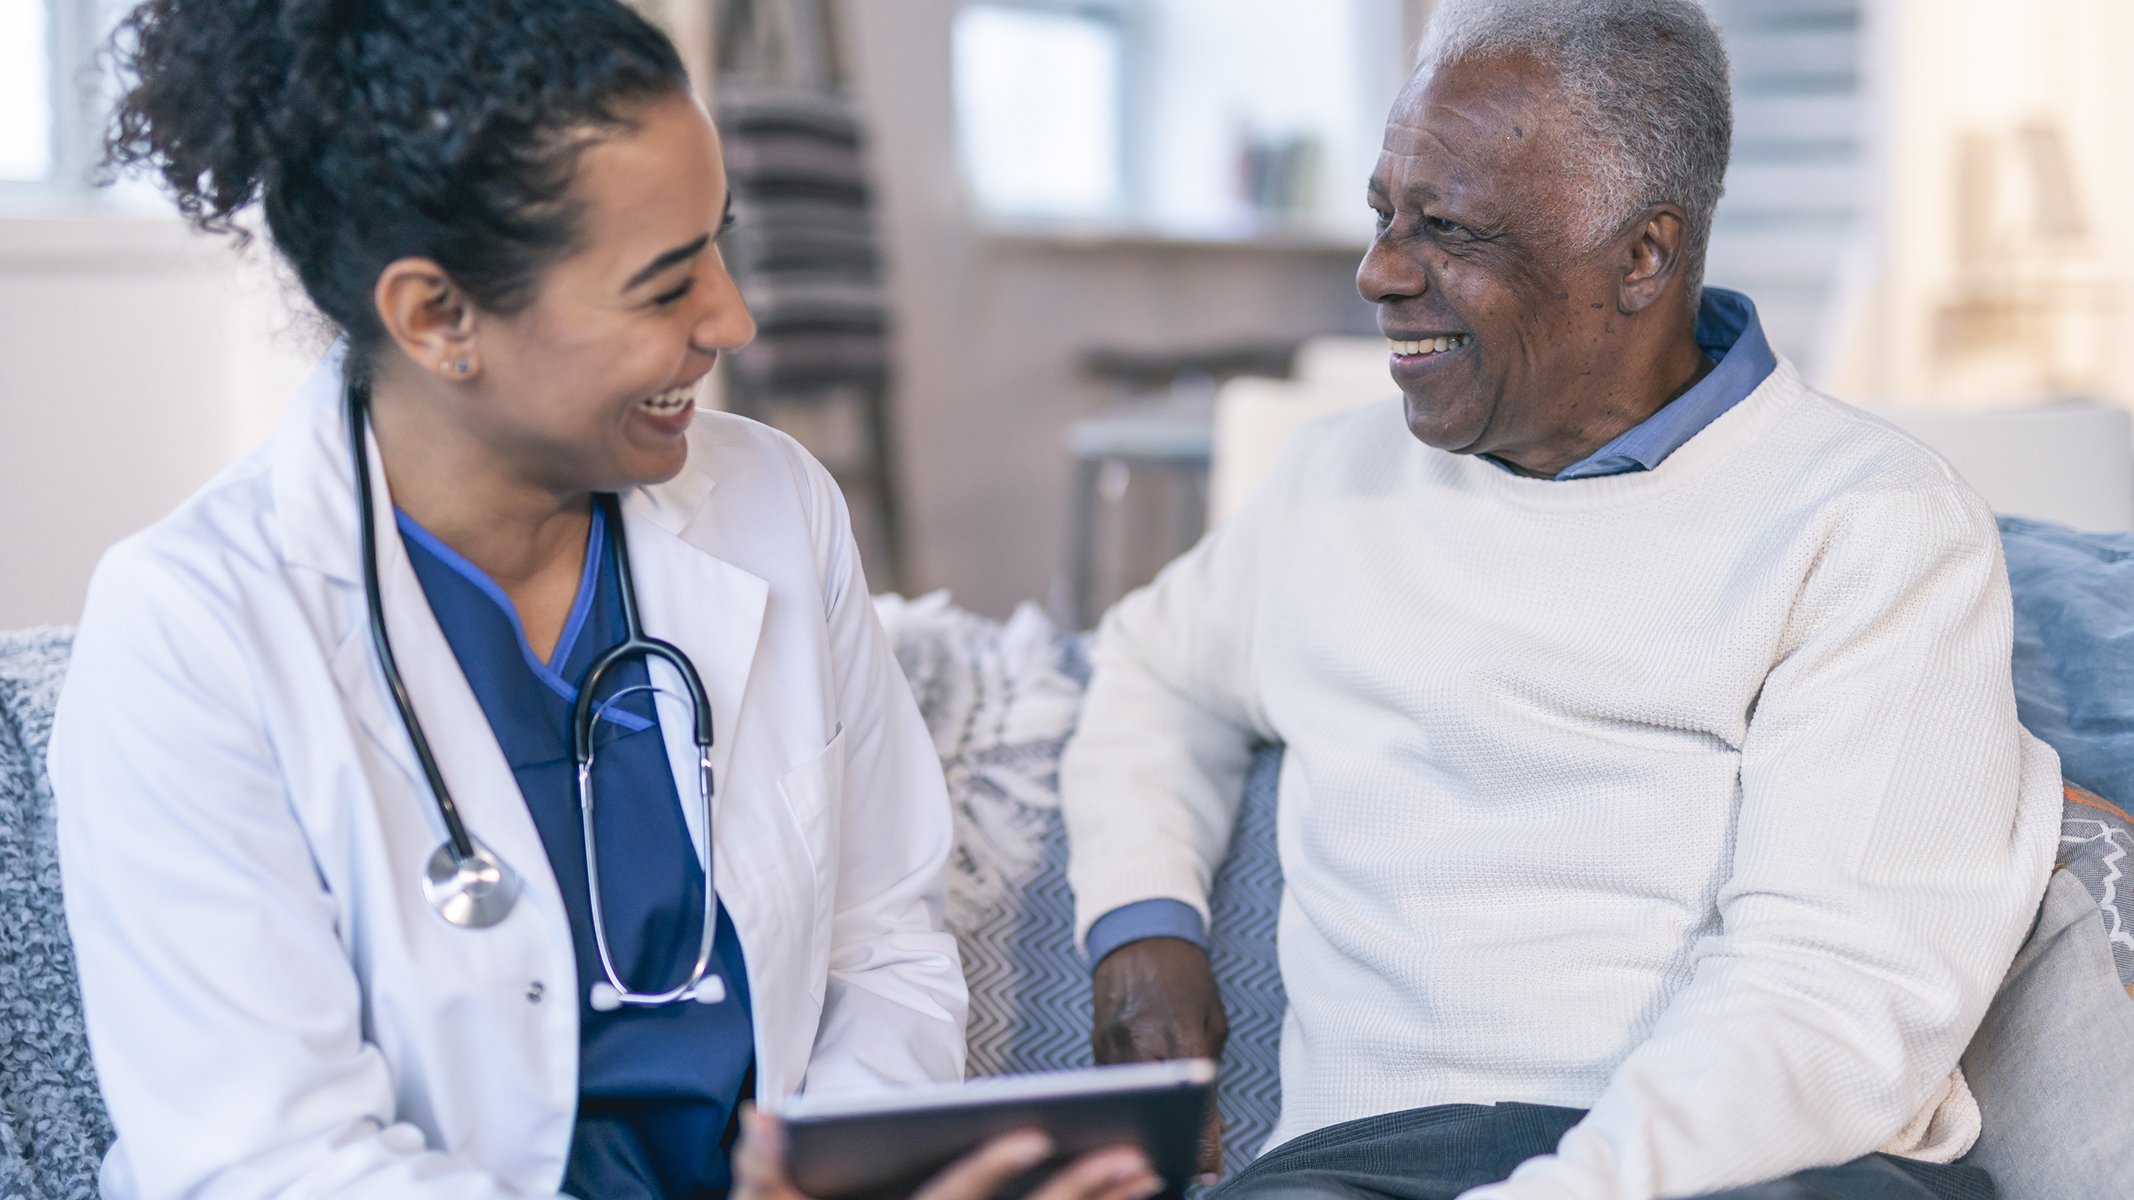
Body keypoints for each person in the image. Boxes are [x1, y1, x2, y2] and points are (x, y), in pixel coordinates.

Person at [49, 4, 1165, 1200]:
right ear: (438, 318)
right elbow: (269, 1164)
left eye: (718, 246)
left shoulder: (774, 504)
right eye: (663, 286)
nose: (731, 320)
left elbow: (885, 942)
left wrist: (841, 1173)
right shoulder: (192, 627)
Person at [1059, 2, 2059, 1198]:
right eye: (1384, 214)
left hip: (1756, 1166)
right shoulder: (1332, 481)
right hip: (1361, 1166)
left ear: (1642, 256)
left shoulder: (1872, 523)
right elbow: (1151, 673)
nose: (1378, 272)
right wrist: (1140, 927)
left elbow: (1829, 1002)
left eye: (1449, 230)